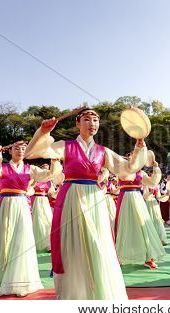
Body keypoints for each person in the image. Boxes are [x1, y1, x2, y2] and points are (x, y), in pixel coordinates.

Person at [25, 107, 146, 299]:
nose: (92, 124)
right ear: (77, 124)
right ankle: (75, 295)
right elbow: (33, 152)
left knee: (98, 242)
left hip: (94, 197)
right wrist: (43, 132)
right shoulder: (65, 146)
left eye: (96, 120)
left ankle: (98, 292)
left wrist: (139, 147)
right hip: (71, 195)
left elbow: (127, 169)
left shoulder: (103, 151)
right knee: (72, 244)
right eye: (87, 120)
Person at [0, 141, 61, 296]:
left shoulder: (31, 169)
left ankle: (21, 282)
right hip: (4, 204)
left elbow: (50, 175)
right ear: (10, 151)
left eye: (24, 148)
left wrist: (55, 160)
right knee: (3, 240)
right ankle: (0, 279)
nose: (21, 151)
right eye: (17, 148)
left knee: (22, 240)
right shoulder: (1, 167)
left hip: (21, 204)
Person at [115, 158, 165, 269]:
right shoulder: (121, 170)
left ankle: (148, 258)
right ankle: (118, 256)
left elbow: (152, 183)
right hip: (124, 200)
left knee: (143, 228)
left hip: (137, 199)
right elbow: (124, 176)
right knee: (124, 227)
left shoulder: (141, 173)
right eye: (129, 157)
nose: (132, 158)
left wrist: (156, 168)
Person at [30, 163, 55, 252]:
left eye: (47, 169)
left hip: (44, 201)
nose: (46, 170)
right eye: (44, 168)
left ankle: (48, 245)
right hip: (35, 200)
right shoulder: (34, 178)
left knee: (47, 220)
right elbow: (29, 189)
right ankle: (33, 243)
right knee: (36, 220)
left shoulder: (49, 181)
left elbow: (51, 193)